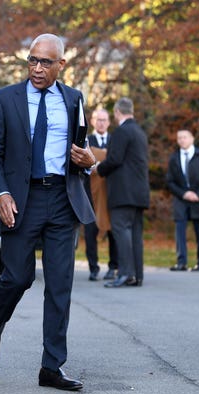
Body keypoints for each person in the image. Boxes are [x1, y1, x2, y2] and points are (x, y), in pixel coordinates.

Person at [0, 33, 96, 391]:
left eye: (46, 62)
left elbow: (81, 147)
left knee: (60, 285)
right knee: (17, 278)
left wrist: (89, 162)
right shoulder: (5, 98)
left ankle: (51, 367)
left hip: (63, 198)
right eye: (32, 60)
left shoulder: (74, 99)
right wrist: (1, 193)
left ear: (61, 65)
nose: (37, 68)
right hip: (21, 199)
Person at [95, 97, 150, 288]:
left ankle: (125, 273)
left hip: (122, 193)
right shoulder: (140, 133)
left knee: (121, 231)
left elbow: (115, 159)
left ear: (117, 112)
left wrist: (98, 168)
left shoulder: (121, 132)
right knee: (135, 234)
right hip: (139, 193)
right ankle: (136, 275)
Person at [166, 129, 199, 272]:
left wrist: (197, 194)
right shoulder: (174, 158)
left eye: (185, 137)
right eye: (179, 137)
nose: (182, 140)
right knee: (180, 229)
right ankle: (181, 262)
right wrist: (184, 194)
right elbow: (170, 181)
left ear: (192, 139)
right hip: (181, 198)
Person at [84, 108, 118, 281]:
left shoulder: (115, 141)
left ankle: (113, 267)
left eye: (104, 120)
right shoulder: (86, 141)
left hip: (111, 192)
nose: (101, 123)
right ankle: (93, 267)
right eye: (98, 119)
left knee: (113, 231)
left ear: (109, 122)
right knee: (90, 230)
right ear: (92, 122)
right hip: (91, 193)